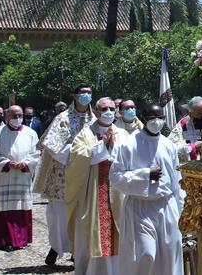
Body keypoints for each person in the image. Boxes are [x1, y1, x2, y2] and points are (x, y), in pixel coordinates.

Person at [111, 103, 185, 275]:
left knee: (169, 254)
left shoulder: (168, 145)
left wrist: (180, 208)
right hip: (140, 208)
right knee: (146, 254)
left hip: (166, 205)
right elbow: (115, 177)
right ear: (144, 118)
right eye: (153, 118)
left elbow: (177, 180)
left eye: (161, 118)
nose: (157, 122)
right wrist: (144, 174)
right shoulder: (128, 145)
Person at [64, 96, 131, 274]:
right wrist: (103, 146)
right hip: (92, 194)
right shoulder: (85, 134)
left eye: (111, 108)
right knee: (91, 234)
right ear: (95, 110)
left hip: (118, 193)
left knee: (119, 233)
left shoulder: (123, 134)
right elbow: (76, 159)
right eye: (103, 109)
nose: (108, 112)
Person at [34, 86, 93, 267]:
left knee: (83, 213)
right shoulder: (63, 119)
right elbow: (52, 146)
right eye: (83, 92)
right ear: (75, 96)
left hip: (87, 174)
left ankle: (78, 250)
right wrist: (75, 154)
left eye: (89, 93)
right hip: (63, 173)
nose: (86, 96)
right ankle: (56, 246)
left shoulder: (95, 119)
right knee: (60, 214)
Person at [0, 105, 41, 250]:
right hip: (3, 176)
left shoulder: (30, 133)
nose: (17, 118)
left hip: (21, 177)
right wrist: (7, 163)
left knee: (19, 207)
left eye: (19, 115)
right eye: (14, 116)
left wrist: (25, 164)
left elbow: (36, 154)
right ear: (7, 116)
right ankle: (2, 239)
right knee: (2, 208)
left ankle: (20, 239)